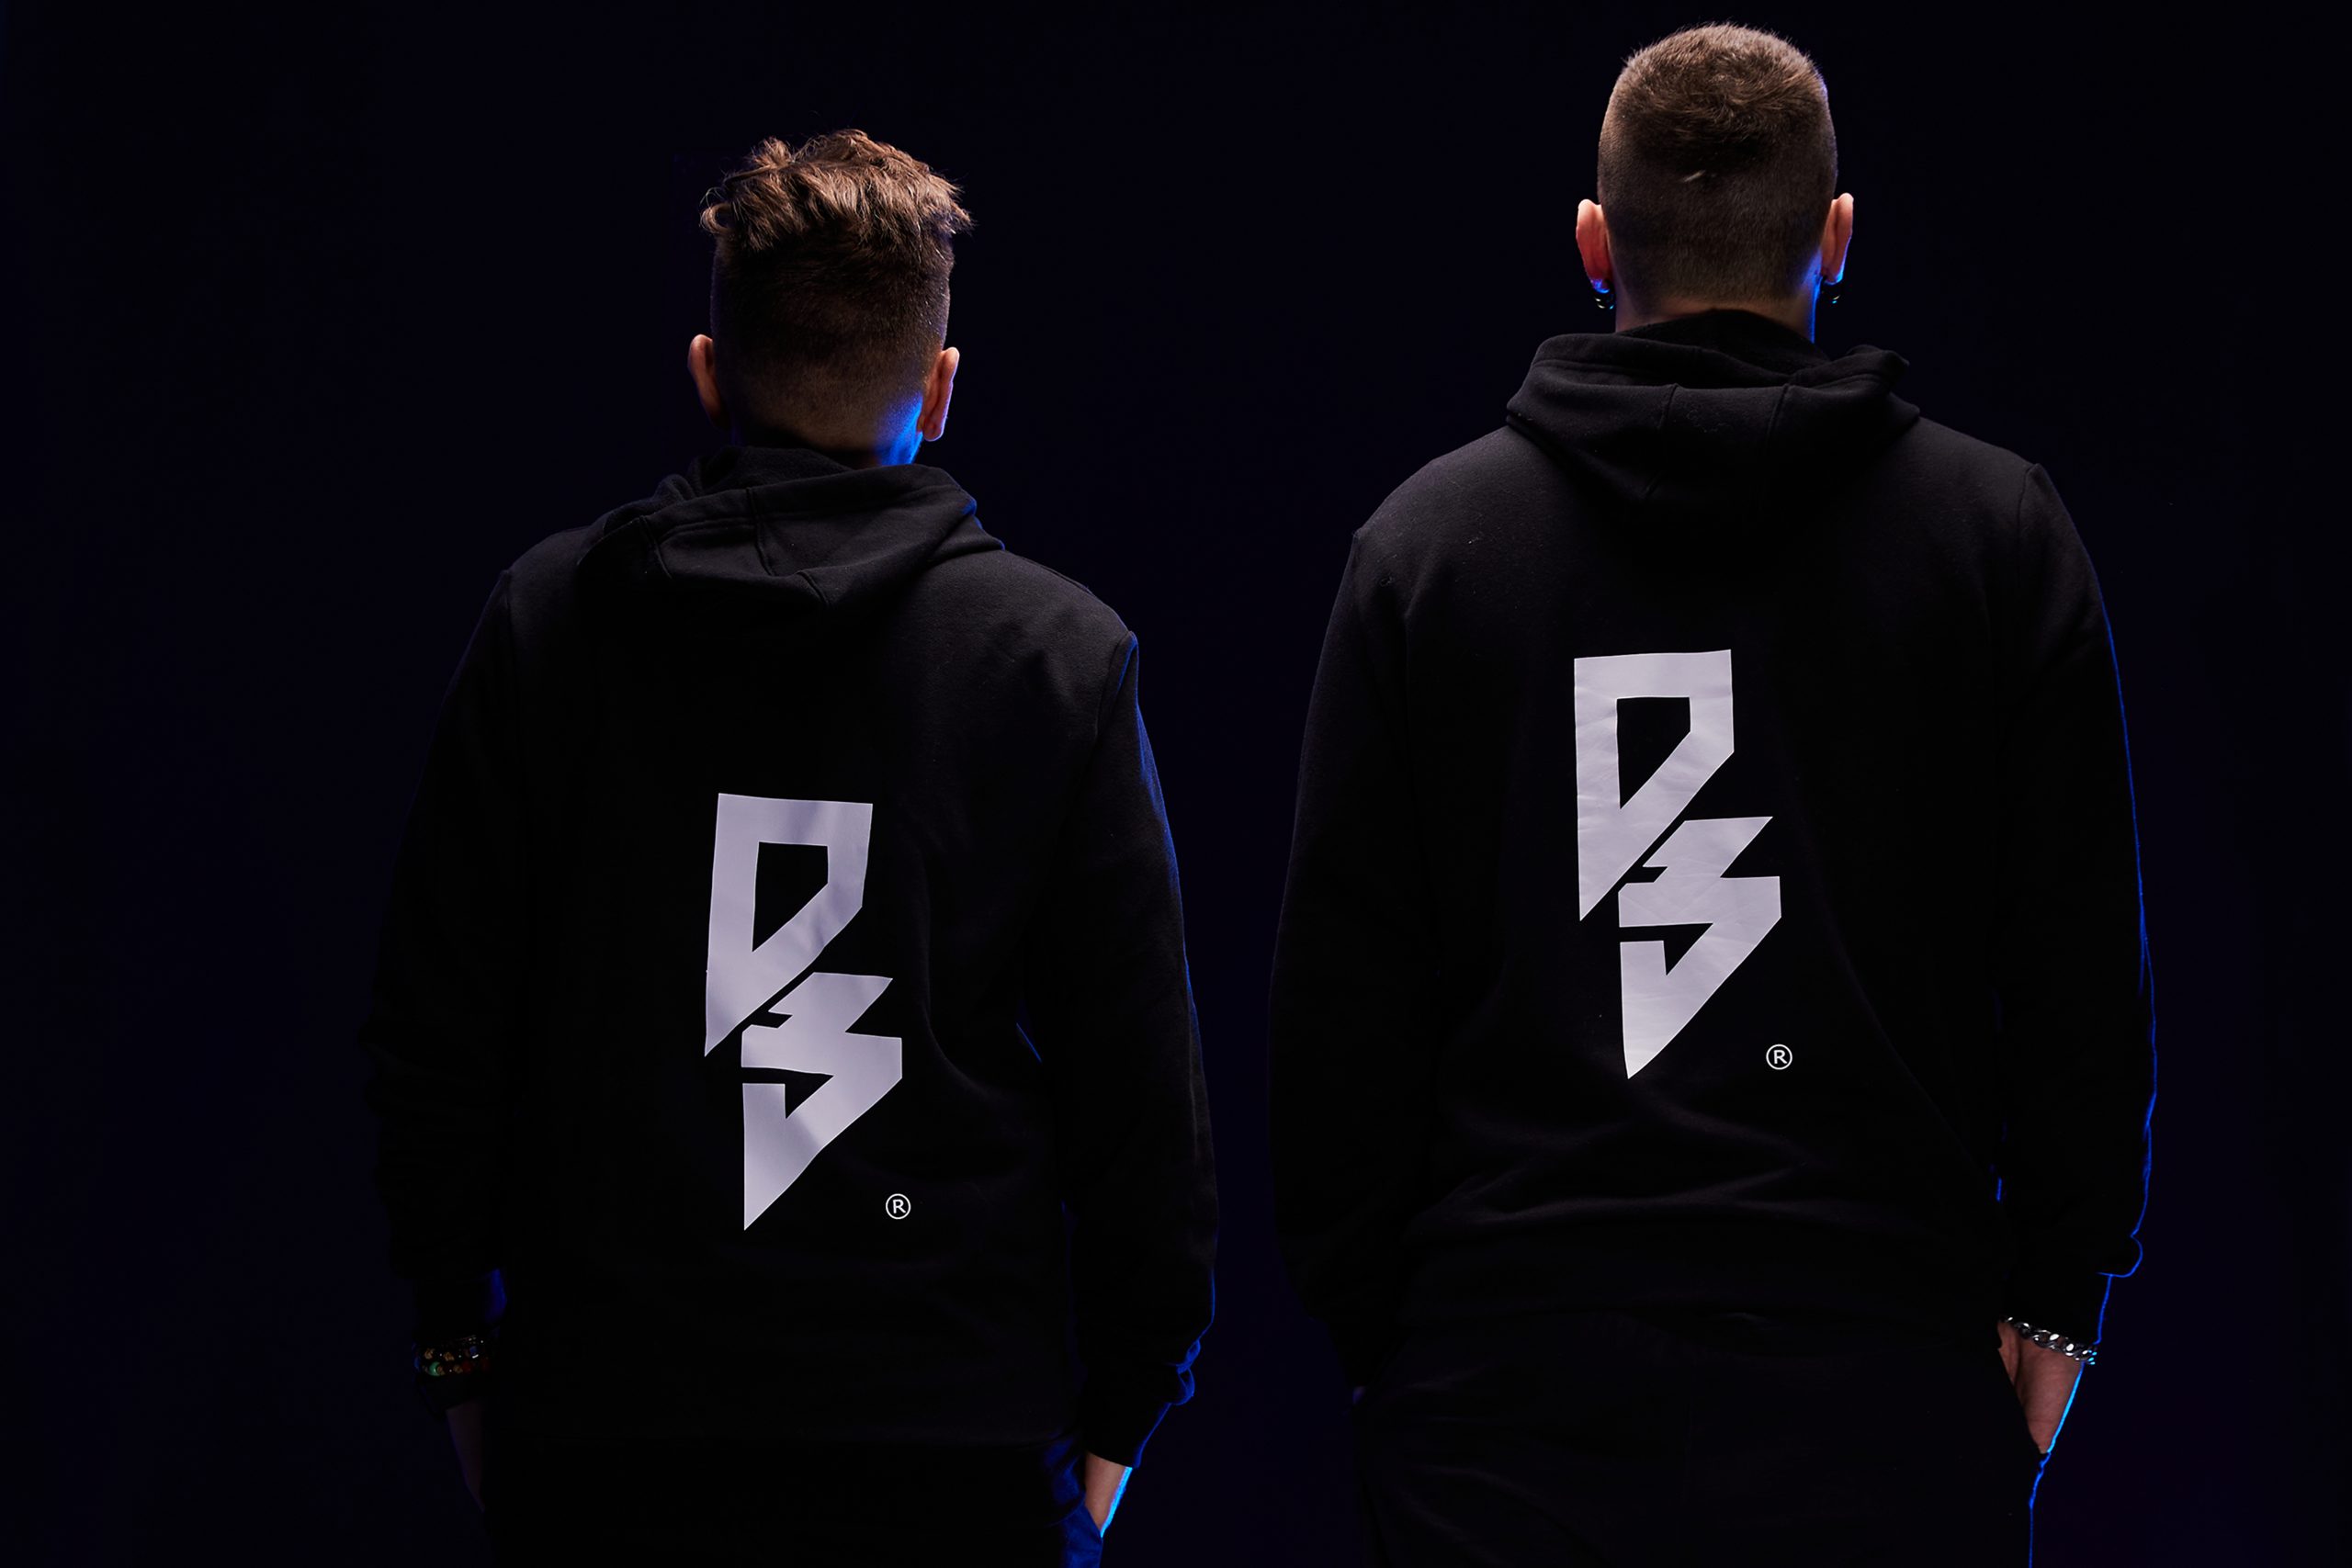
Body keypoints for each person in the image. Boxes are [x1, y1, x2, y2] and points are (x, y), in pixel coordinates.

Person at [1270, 24, 2153, 1566]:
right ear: (1837, 237)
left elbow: (1339, 1020)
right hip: (1882, 1396)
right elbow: (2080, 973)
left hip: (1505, 1410)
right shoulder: (1995, 535)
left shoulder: (1424, 552)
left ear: (1593, 242)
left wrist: (1397, 1345)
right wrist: (2059, 1298)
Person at [360, 130, 1216, 1566]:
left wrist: (459, 1360)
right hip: (955, 1467)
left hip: (607, 1457)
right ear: (940, 389)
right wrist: (1120, 1425)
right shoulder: (1056, 658)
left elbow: (432, 1043)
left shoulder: (552, 625)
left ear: (710, 371)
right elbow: (1145, 1111)